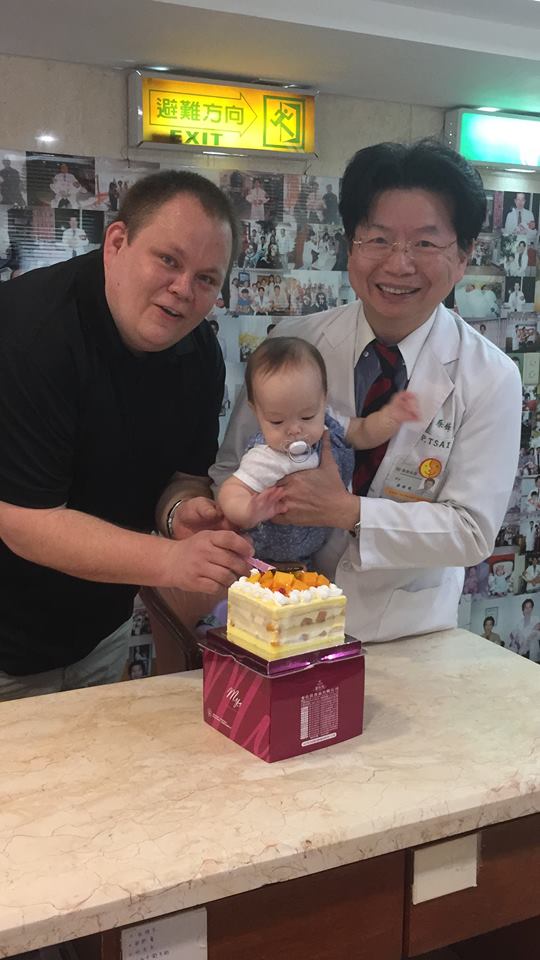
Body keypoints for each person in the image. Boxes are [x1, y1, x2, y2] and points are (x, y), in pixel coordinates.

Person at [210, 139, 522, 642]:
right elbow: (233, 466)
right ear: (350, 246)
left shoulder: (490, 377)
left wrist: (347, 512)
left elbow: (471, 532)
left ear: (463, 256)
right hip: (281, 616)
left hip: (407, 633)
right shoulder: (295, 343)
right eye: (378, 239)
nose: (399, 265)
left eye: (425, 244)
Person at [0, 170, 252, 700]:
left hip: (100, 631)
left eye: (207, 279)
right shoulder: (29, 331)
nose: (183, 290)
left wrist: (180, 514)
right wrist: (173, 561)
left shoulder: (199, 353)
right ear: (117, 243)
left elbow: (182, 476)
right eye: (169, 260)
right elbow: (25, 522)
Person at [218, 337, 419, 564]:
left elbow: (363, 432)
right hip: (270, 556)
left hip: (314, 552)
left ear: (324, 400)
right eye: (276, 421)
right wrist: (247, 511)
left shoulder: (329, 423)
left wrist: (390, 417)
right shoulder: (266, 457)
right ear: (257, 412)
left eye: (307, 416)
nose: (294, 429)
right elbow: (231, 490)